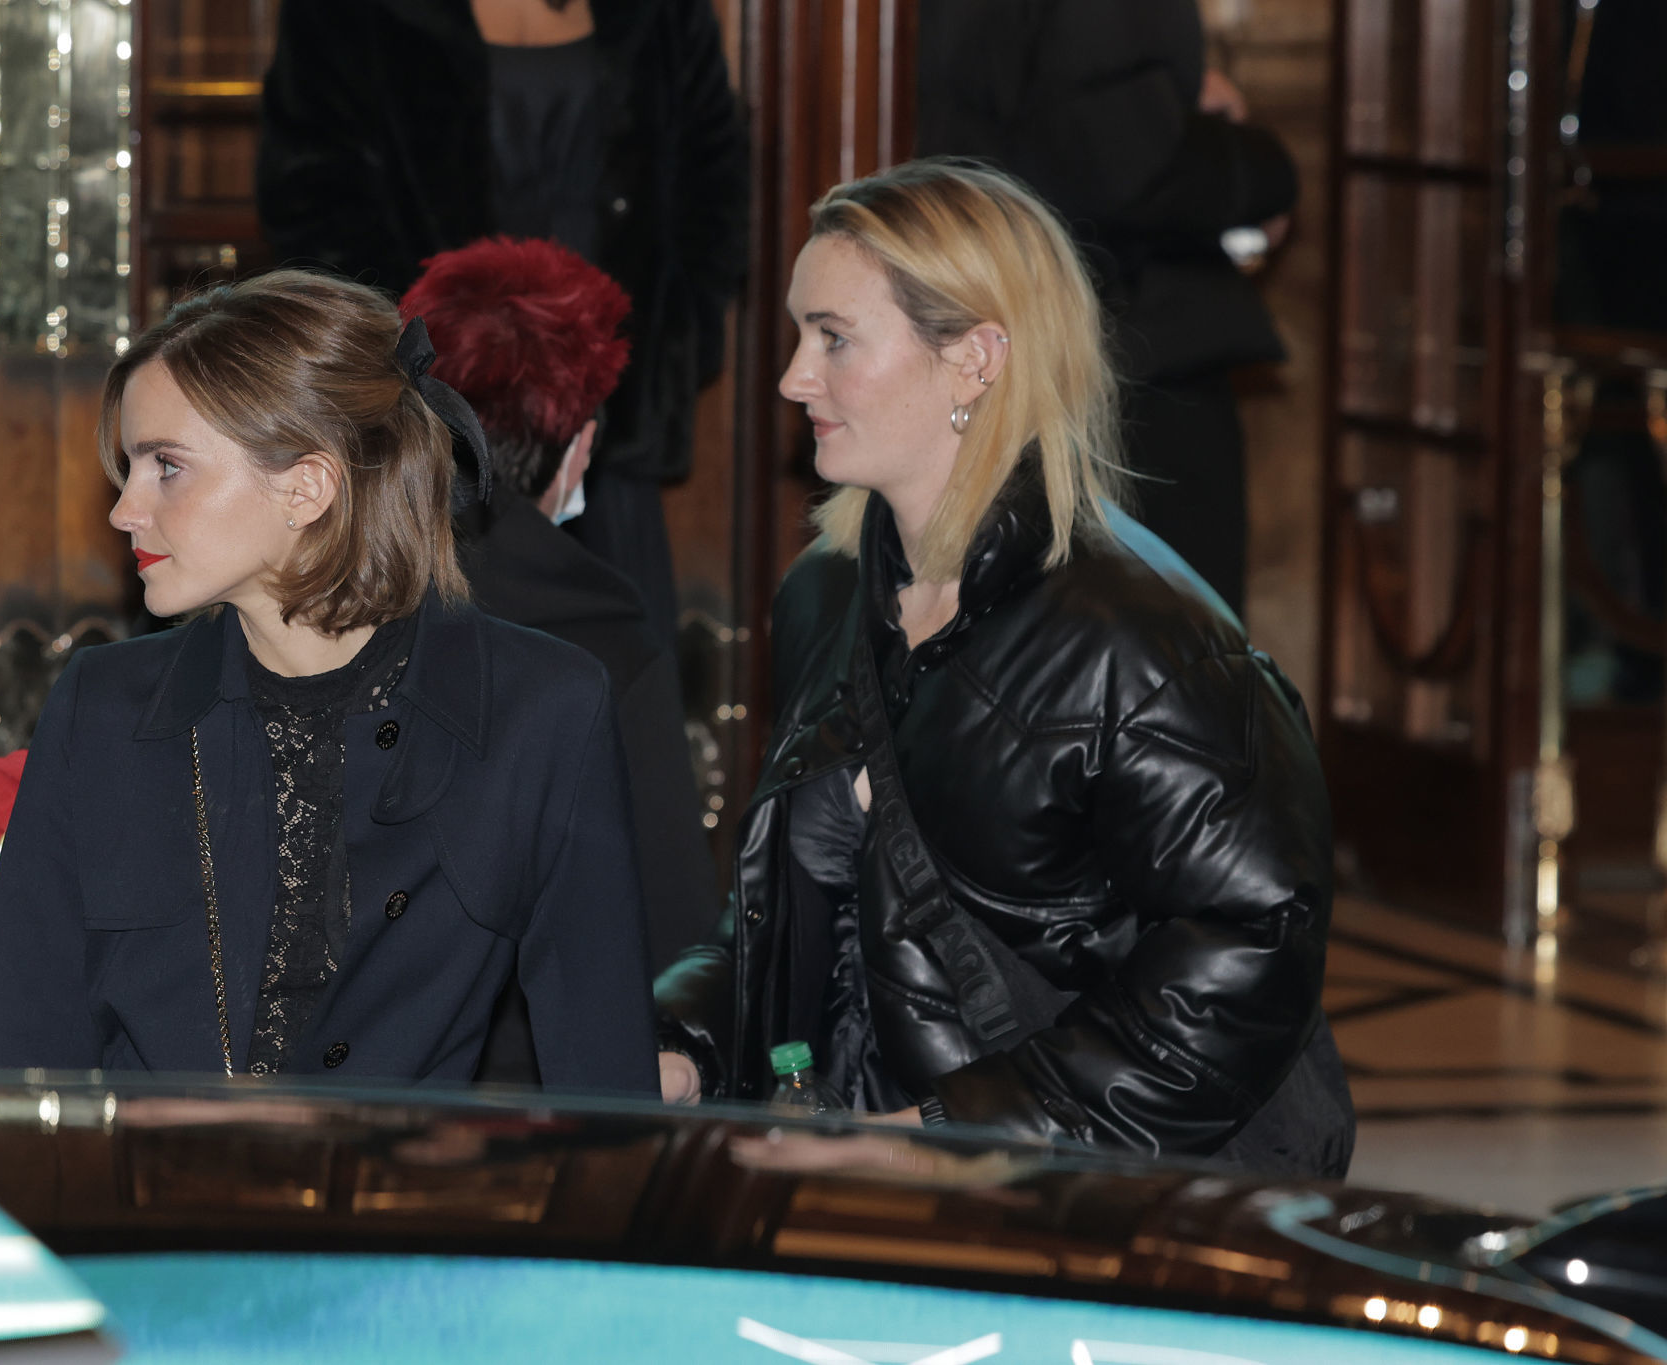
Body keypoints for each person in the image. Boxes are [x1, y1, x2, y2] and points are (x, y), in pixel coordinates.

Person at [654, 160, 1353, 1176]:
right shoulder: (825, 594)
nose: (793, 378)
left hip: (1065, 1208)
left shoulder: (1142, 641)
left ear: (974, 359)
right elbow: (786, 915)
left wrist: (948, 1134)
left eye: (833, 337)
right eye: (800, 334)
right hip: (853, 1179)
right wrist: (682, 1043)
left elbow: (1246, 959)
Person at [0, 270, 657, 1092]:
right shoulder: (102, 706)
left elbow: (605, 1086)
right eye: (130, 467)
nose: (125, 509)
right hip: (144, 1178)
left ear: (306, 486)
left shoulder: (540, 711)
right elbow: (16, 1065)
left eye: (167, 466)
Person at [255, 0, 749, 645]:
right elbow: (312, 202)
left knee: (617, 664)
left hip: (607, 409)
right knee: (432, 665)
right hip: (425, 419)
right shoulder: (342, 15)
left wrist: (670, 345)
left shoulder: (666, 14)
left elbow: (714, 188)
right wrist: (403, 364)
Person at [400, 235, 719, 1083]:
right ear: (580, 446)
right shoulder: (607, 635)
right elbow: (672, 918)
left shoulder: (342, 587)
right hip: (547, 1091)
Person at [914, 0, 1297, 617]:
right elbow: (1130, 163)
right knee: (1160, 652)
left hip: (983, 337)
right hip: (1120, 364)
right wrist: (1265, 170)